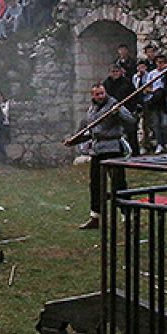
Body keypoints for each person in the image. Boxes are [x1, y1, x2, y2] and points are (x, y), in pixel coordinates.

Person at [68, 84, 132, 230]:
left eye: (102, 93)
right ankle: (95, 217)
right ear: (93, 96)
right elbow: (91, 132)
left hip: (113, 148)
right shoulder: (92, 109)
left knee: (118, 183)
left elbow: (130, 120)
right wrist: (74, 140)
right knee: (95, 184)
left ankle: (126, 215)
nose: (100, 96)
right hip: (97, 150)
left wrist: (118, 113)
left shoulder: (114, 104)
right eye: (97, 94)